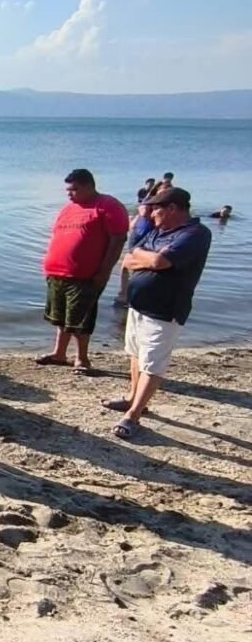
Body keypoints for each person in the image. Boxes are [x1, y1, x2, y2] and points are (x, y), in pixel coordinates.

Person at [103, 188, 212, 440]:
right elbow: (129, 257)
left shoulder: (195, 233)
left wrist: (146, 258)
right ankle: (132, 397)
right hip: (138, 305)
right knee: (135, 354)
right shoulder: (159, 231)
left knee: (152, 363)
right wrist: (145, 257)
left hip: (165, 309)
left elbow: (159, 263)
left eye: (156, 210)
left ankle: (134, 415)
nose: (152, 215)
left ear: (173, 208)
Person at [36, 169, 129, 376]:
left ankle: (82, 358)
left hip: (85, 275)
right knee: (60, 317)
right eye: (68, 190)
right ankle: (59, 353)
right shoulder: (68, 209)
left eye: (74, 189)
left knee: (81, 318)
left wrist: (105, 271)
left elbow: (118, 239)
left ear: (89, 186)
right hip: (57, 272)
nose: (70, 194)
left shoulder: (107, 206)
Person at [113, 202, 154, 308]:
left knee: (139, 269)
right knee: (125, 267)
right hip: (135, 243)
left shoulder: (154, 215)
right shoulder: (145, 208)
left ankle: (132, 296)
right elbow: (132, 226)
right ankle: (124, 294)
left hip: (144, 245)